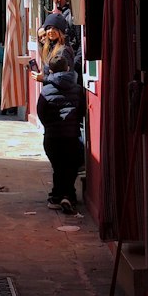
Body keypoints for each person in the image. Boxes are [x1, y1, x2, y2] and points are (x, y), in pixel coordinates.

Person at [31, 12, 85, 214]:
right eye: (48, 29)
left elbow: (42, 110)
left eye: (53, 29)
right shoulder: (75, 89)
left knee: (59, 164)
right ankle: (66, 194)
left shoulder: (63, 52)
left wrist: (44, 79)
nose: (50, 32)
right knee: (68, 164)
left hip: (54, 132)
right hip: (70, 131)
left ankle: (59, 194)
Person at [48, 0, 83, 73]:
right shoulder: (67, 15)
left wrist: (72, 68)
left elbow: (81, 44)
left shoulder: (73, 16)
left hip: (71, 70)